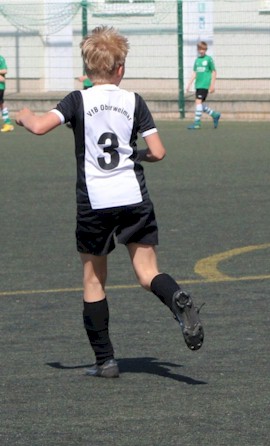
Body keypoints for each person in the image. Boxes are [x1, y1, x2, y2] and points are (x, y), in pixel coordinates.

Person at [15, 26, 204, 379]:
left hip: (95, 200)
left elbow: (40, 126)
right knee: (148, 273)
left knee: (93, 280)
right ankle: (175, 297)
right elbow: (159, 152)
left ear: (87, 69)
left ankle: (105, 361)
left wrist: (24, 115)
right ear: (120, 68)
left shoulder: (77, 100)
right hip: (133, 196)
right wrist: (137, 155)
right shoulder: (134, 101)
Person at [186, 41, 221, 130]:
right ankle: (214, 114)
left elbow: (214, 71)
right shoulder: (197, 60)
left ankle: (197, 123)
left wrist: (212, 85)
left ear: (206, 50)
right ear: (198, 50)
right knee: (200, 104)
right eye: (200, 49)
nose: (201, 51)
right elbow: (195, 73)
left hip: (205, 85)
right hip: (198, 85)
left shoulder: (208, 59)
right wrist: (189, 84)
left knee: (198, 102)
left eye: (203, 49)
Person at [0, 52, 13, 132]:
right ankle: (7, 123)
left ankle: (8, 123)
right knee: (1, 104)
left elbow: (4, 70)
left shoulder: (0, 58)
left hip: (0, 87)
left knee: (1, 104)